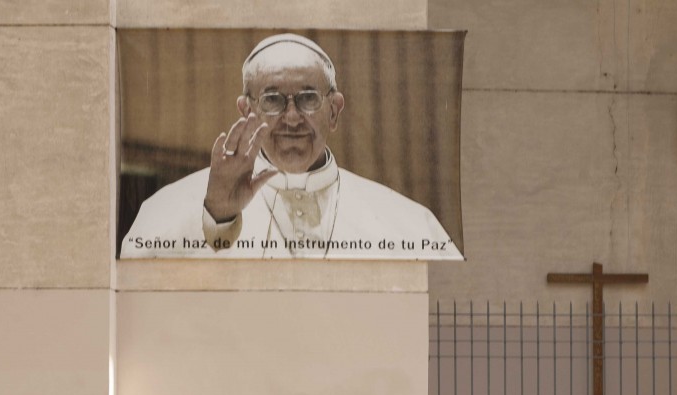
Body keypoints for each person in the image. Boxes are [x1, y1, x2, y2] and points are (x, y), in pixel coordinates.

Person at [122, 33, 461, 260]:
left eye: (308, 98)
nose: (293, 117)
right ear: (246, 110)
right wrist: (217, 217)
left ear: (334, 110)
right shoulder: (168, 209)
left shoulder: (410, 224)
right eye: (272, 100)